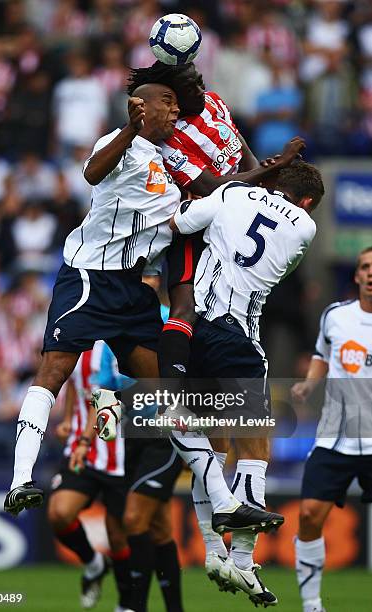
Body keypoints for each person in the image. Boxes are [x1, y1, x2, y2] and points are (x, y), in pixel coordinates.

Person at [124, 60, 295, 596]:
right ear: (169, 97)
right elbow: (212, 187)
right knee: (188, 317)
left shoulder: (218, 104)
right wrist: (273, 171)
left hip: (234, 222)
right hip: (201, 233)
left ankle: (226, 557)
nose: (197, 87)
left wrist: (262, 178)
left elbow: (239, 160)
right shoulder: (167, 137)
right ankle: (166, 387)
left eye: (197, 79)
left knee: (219, 435)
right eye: (185, 86)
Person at [4, 83, 181, 515]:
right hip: (90, 276)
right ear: (143, 108)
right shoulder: (118, 143)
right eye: (168, 102)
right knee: (55, 369)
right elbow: (92, 173)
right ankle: (21, 479)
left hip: (133, 287)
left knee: (166, 390)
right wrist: (128, 128)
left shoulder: (171, 162)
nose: (175, 111)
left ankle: (112, 403)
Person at [169, 155, 325, 607]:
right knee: (255, 440)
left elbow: (181, 222)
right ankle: (240, 556)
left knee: (207, 438)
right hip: (237, 332)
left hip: (193, 325)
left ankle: (215, 551)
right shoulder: (305, 229)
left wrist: (224, 188)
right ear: (308, 201)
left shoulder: (233, 193)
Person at [291, 247, 372, 612]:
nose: (371, 273)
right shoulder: (336, 316)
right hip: (335, 435)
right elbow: (322, 355)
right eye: (365, 267)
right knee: (309, 514)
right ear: (356, 276)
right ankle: (312, 605)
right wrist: (309, 383)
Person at [48, 341, 130, 611]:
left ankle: (126, 604)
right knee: (59, 513)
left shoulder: (114, 340)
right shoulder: (75, 336)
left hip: (116, 448)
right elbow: (73, 382)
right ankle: (94, 563)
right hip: (81, 448)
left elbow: (107, 395)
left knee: (117, 533)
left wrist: (85, 439)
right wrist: (70, 418)